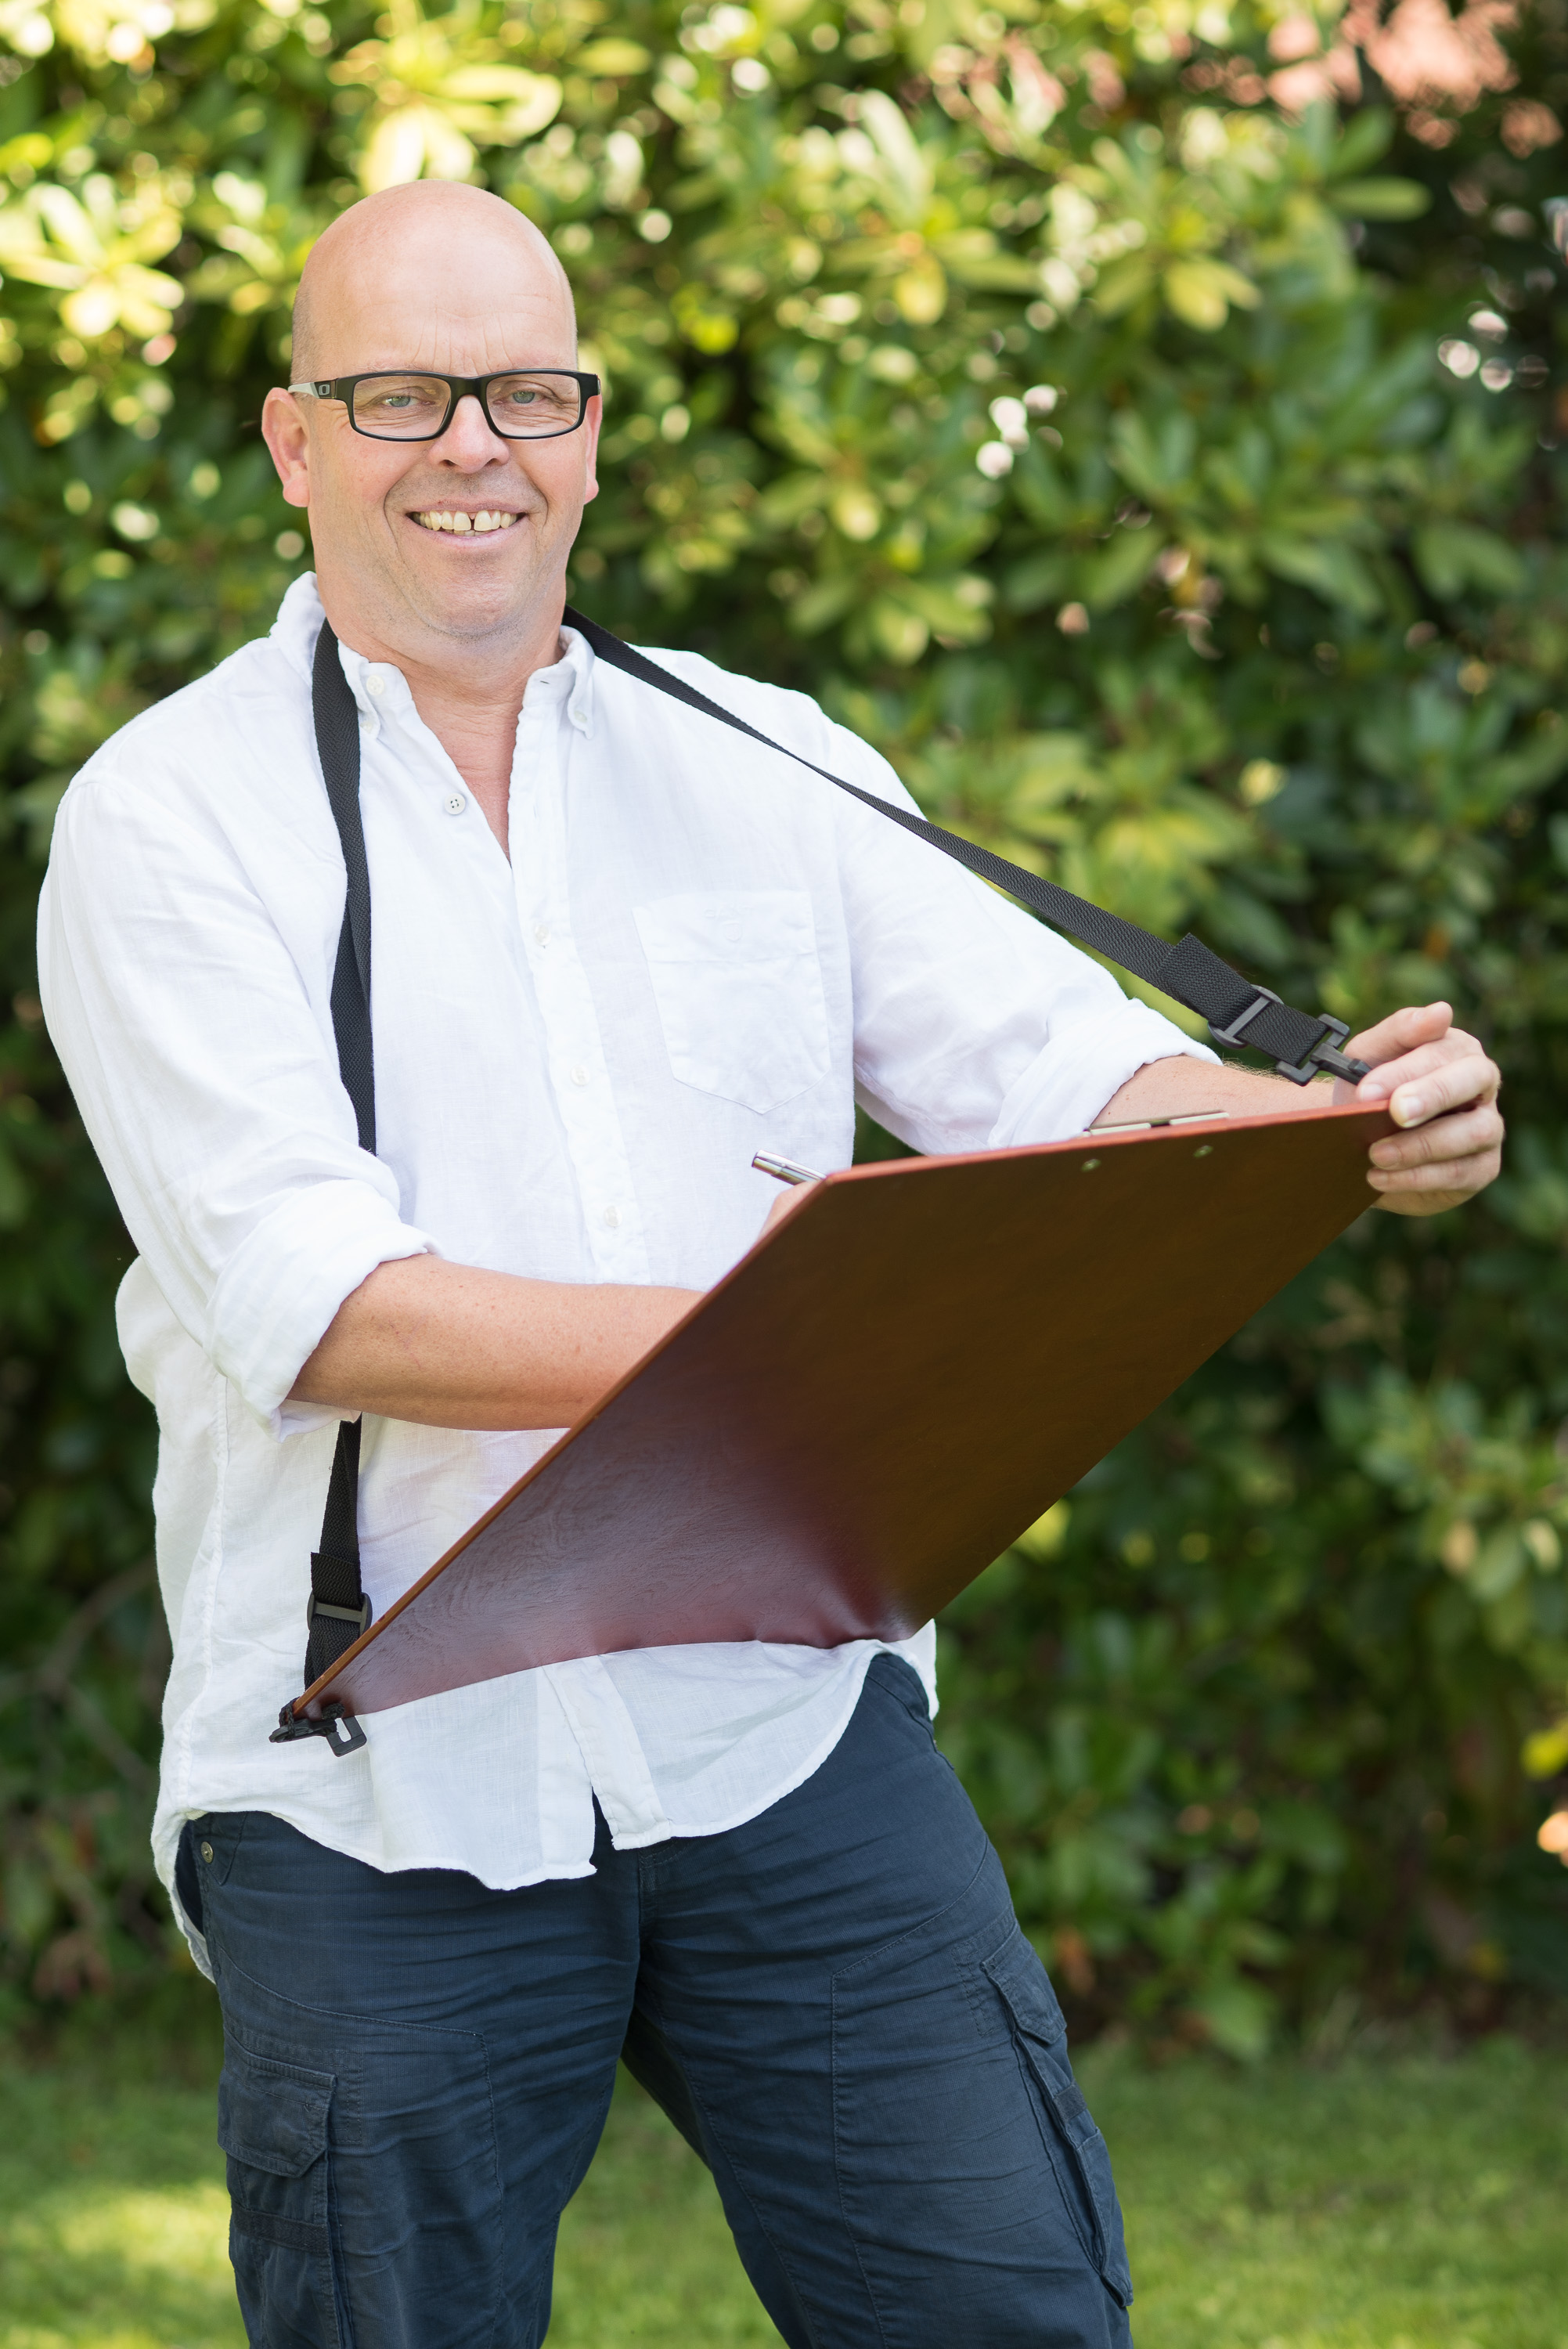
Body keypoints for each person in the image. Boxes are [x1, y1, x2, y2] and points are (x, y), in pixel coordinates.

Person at [38, 181, 1503, 2349]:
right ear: (293, 440)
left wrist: (1339, 1134)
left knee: (1007, 2320)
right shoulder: (173, 820)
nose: (474, 446)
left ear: (595, 433)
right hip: (381, 1790)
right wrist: (798, 1352)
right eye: (403, 395)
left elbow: (1069, 1082)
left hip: (782, 1720)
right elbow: (326, 1307)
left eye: (528, 392)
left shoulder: (766, 759)